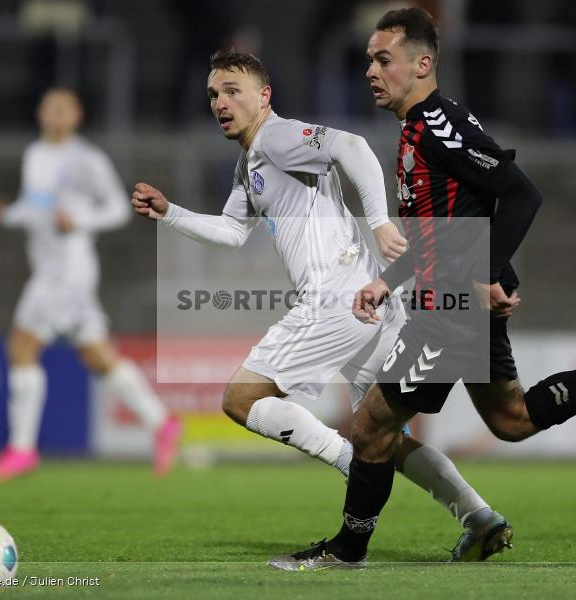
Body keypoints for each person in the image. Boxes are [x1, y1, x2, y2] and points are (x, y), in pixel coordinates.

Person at [270, 7, 576, 571]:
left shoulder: (438, 126)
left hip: (450, 306)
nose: (371, 71)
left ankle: (347, 551)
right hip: (457, 300)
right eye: (369, 61)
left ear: (422, 64)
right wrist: (387, 281)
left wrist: (484, 272)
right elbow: (440, 232)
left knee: (371, 426)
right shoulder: (417, 129)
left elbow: (521, 192)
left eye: (383, 60)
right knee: (512, 420)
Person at [132, 50, 510, 561]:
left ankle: (350, 466)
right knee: (382, 436)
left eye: (233, 91)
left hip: (334, 296)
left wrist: (379, 220)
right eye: (214, 94)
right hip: (368, 298)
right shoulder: (251, 160)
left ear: (264, 96)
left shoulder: (277, 137)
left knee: (241, 399)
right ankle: (478, 516)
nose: (220, 103)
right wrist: (171, 213)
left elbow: (351, 146)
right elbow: (232, 231)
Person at [0, 88, 181, 481]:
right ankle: (162, 423)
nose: (55, 114)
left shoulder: (86, 159)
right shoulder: (35, 154)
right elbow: (35, 209)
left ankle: (21, 449)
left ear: (76, 116)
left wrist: (80, 222)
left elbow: (119, 208)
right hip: (50, 266)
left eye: (63, 108)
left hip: (67, 268)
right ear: (39, 114)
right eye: (49, 107)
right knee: (97, 356)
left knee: (22, 346)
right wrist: (2, 215)